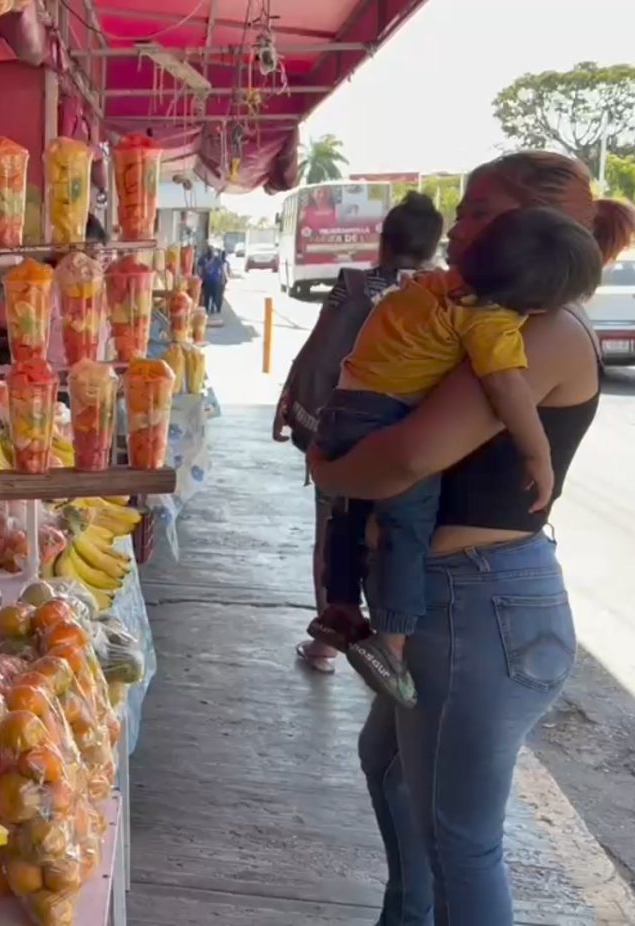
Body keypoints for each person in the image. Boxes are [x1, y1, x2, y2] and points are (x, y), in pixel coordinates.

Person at [310, 150, 635, 925]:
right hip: (451, 598)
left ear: (540, 227)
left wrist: (330, 467)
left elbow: (407, 459)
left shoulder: (541, 332)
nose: (459, 227)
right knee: (388, 768)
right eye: (463, 210)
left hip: (481, 602)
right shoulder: (477, 311)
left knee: (459, 838)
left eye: (481, 211)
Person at [310, 207, 605, 706]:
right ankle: (391, 642)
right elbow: (505, 389)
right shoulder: (489, 321)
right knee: (405, 531)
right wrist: (538, 453)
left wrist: (327, 470)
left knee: (349, 517)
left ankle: (339, 606)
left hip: (345, 408)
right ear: (532, 303)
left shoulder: (430, 287)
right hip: (384, 417)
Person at [275, 192, 444, 673]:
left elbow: (317, 351)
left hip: (344, 430)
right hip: (412, 436)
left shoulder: (353, 285)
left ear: (382, 239)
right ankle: (396, 646)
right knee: (399, 535)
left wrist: (290, 403)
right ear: (434, 244)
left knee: (334, 527)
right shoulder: (442, 294)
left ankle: (330, 637)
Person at [199, 248, 228, 314]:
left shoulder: (206, 259)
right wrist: (222, 279)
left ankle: (210, 307)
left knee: (209, 295)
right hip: (211, 280)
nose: (210, 253)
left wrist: (222, 279)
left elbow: (199, 270)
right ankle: (210, 307)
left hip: (210, 280)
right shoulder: (208, 259)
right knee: (210, 295)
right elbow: (222, 270)